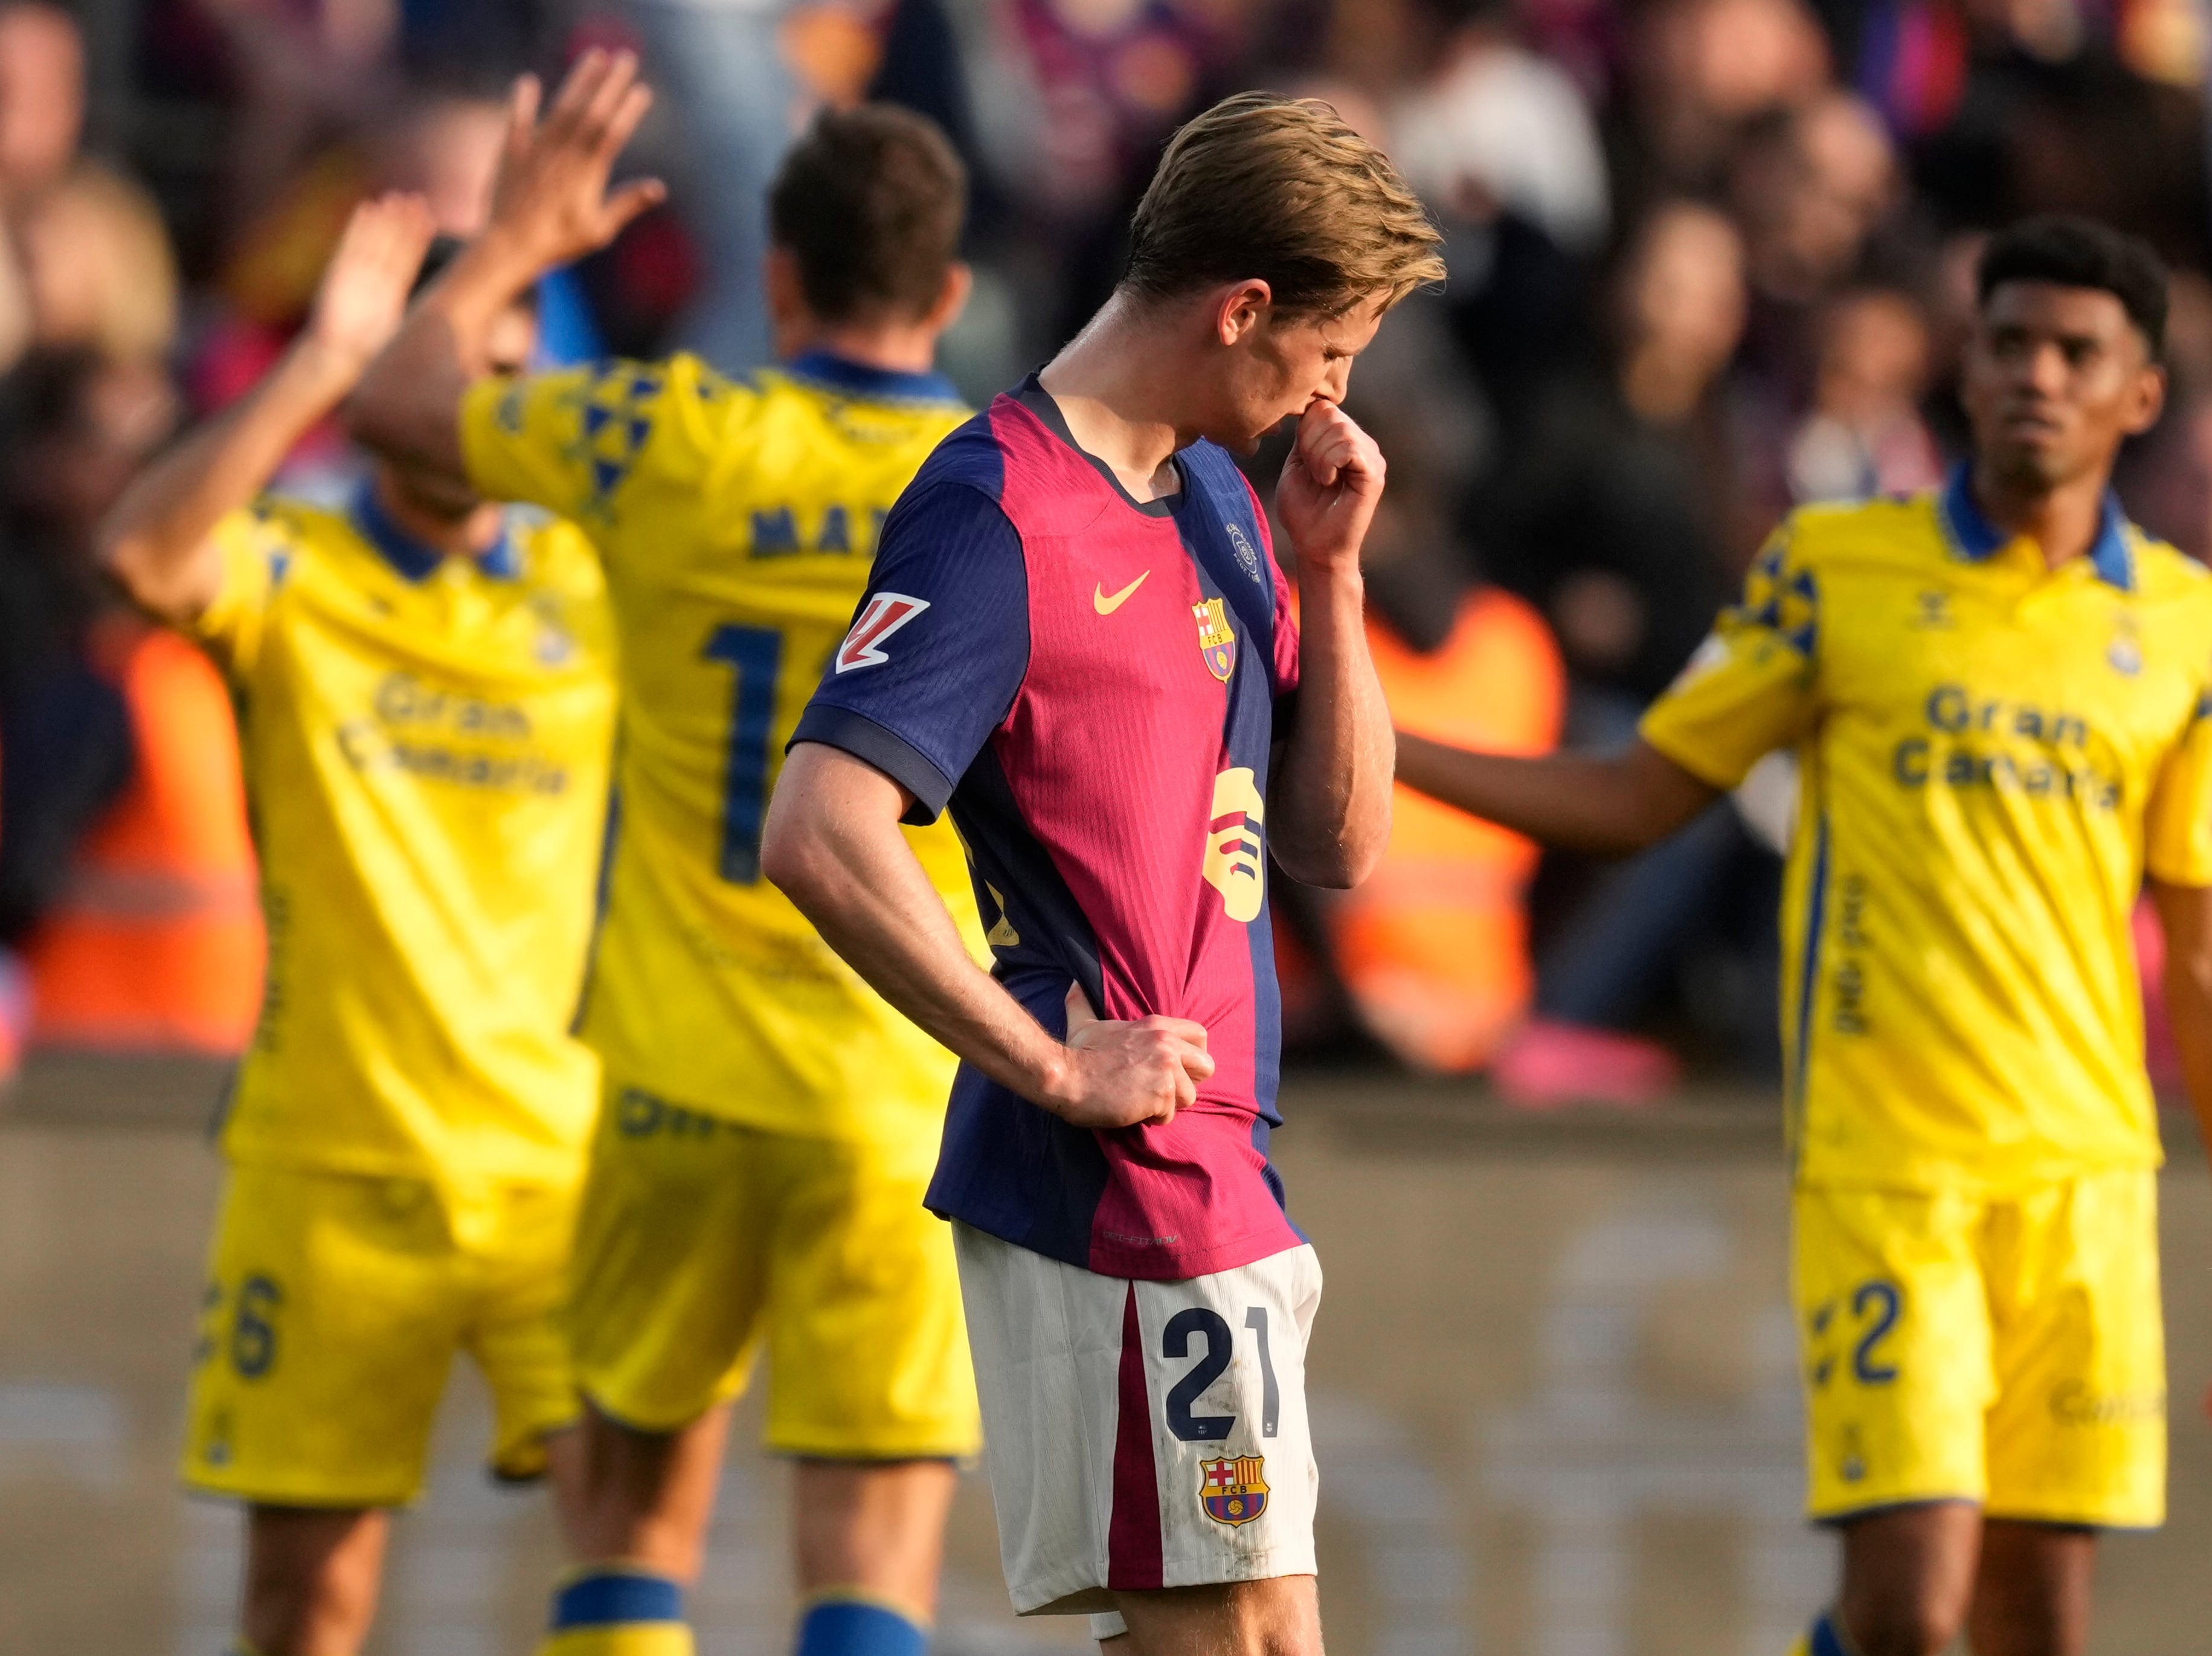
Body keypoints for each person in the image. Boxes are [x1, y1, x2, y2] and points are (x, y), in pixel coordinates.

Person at [1395, 215, 2212, 1656]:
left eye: (2078, 354)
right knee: (1910, 1605)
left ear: (2140, 396)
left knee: (2036, 1620)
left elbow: (2208, 950)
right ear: (1967, 365)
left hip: (2084, 1181)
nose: (2036, 378)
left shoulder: (2191, 626)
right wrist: (1386, 746)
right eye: (2009, 345)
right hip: (1892, 1169)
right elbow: (1640, 792)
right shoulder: (1834, 568)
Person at [759, 91, 1440, 1655]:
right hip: (1128, 1179)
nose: (1336, 395)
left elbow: (1340, 839)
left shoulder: (1217, 495)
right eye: (1333, 352)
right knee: (1251, 1633)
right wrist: (1057, 1064)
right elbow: (820, 826)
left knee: (1207, 1632)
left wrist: (1328, 575)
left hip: (1216, 1160)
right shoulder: (997, 508)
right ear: (1244, 309)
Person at [349, 53, 986, 1656]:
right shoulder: (1010, 489)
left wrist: (512, 246)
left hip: (670, 1074)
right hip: (901, 1086)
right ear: (955, 290)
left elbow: (402, 406)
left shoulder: (667, 434)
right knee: (870, 1559)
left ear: (775, 275)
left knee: (631, 1533)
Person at [99, 195, 619, 1656]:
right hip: (333, 1174)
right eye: (447, 375)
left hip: (553, 1173)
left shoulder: (591, 583)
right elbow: (139, 557)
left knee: (625, 1553)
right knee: (303, 1605)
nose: (475, 411)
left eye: (506, 378)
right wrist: (321, 358)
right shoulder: (290, 568)